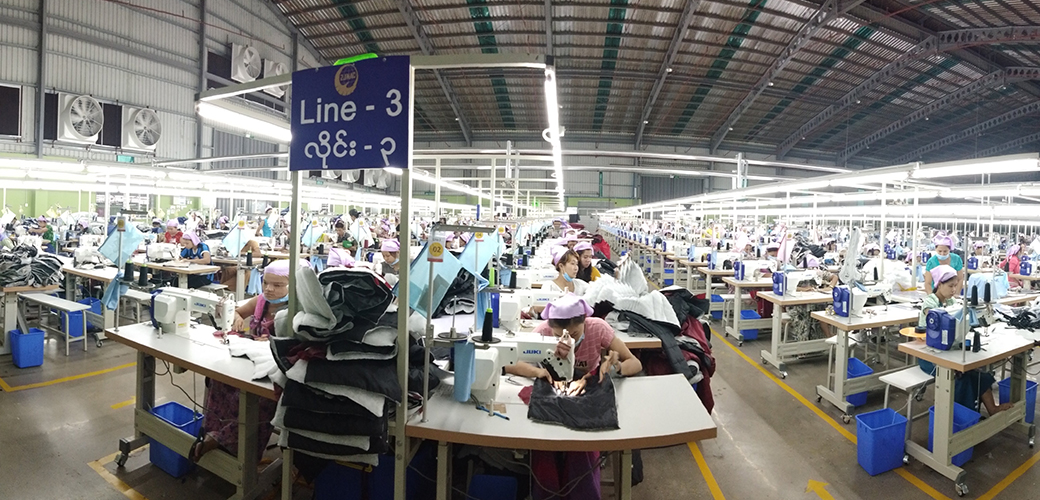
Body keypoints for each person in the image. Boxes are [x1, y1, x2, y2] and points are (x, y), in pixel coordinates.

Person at [504, 294, 640, 500]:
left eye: (575, 334)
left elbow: (635, 363)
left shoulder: (598, 328)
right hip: (553, 388)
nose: (569, 341)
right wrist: (538, 372)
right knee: (544, 446)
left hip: (589, 388)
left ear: (585, 321)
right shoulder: (542, 332)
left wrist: (616, 366)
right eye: (559, 336)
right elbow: (510, 363)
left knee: (582, 447)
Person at [192, 259, 289, 464]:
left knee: (256, 399)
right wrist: (236, 317)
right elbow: (236, 310)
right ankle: (212, 431)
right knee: (218, 378)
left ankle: (236, 450)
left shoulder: (296, 311)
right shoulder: (261, 301)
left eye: (278, 285)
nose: (269, 289)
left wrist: (273, 342)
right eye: (265, 282)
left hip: (273, 372)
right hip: (249, 361)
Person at [917, 265, 1010, 415]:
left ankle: (992, 409)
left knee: (979, 374)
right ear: (939, 284)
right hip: (929, 356)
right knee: (961, 378)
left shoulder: (951, 302)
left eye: (956, 286)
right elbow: (935, 318)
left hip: (949, 350)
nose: (954, 289)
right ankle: (963, 417)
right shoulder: (930, 302)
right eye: (950, 286)